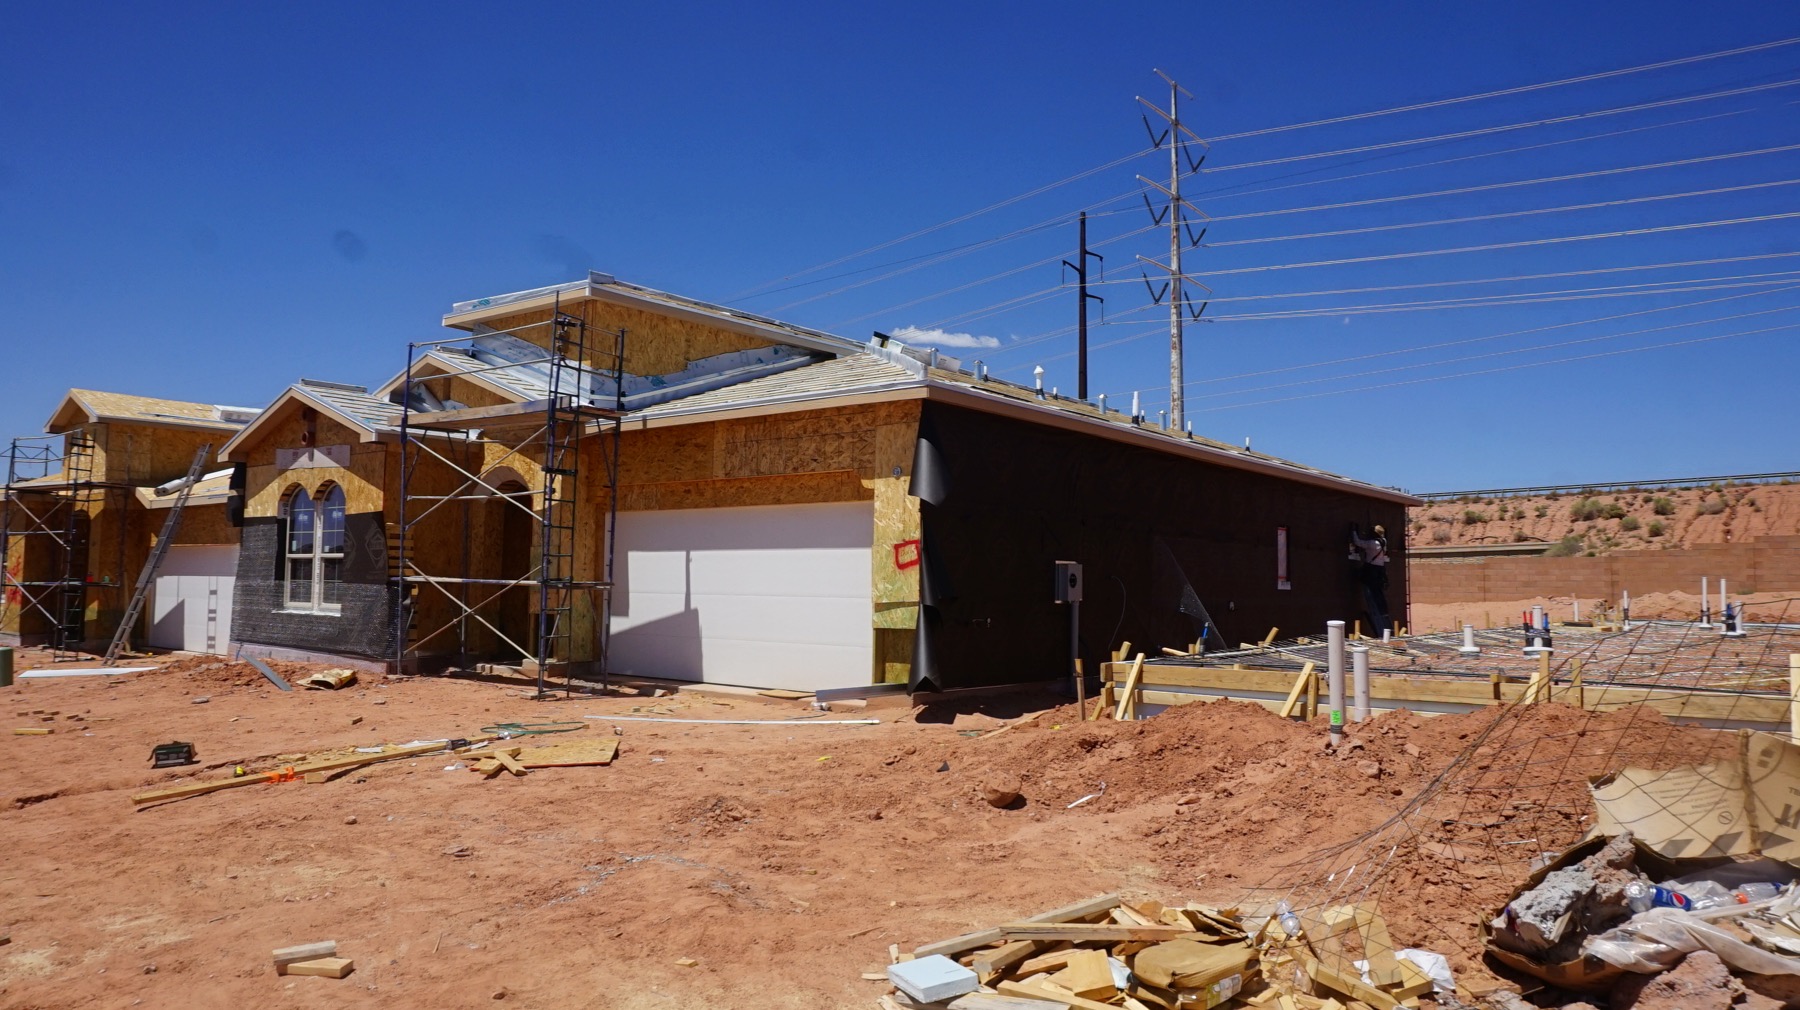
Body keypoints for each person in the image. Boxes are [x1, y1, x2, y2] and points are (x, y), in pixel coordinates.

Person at [1349, 523, 1392, 636]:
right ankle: (1383, 611)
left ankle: (1377, 614)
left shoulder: (1372, 543)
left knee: (1370, 591)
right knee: (1378, 592)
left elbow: (1358, 542)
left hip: (1371, 569)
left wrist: (1353, 531)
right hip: (1380, 570)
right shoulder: (1384, 541)